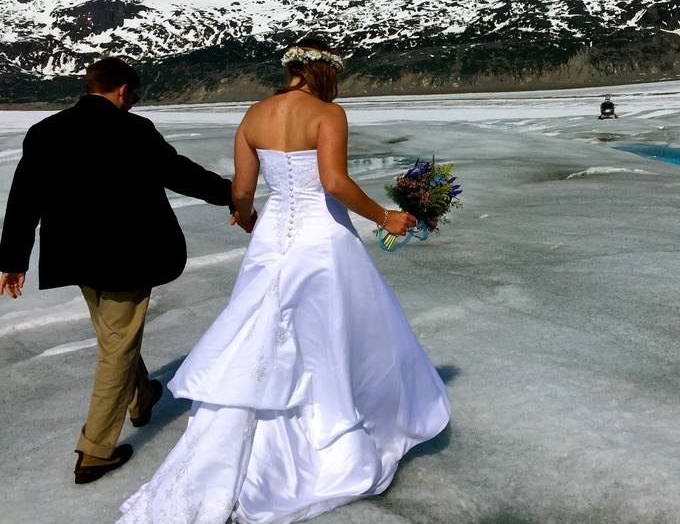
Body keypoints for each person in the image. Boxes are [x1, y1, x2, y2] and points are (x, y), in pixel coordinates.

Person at [118, 39, 451, 523]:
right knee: (330, 335)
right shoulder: (327, 114)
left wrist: (247, 216)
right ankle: (333, 427)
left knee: (265, 330)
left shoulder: (254, 115)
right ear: (324, 72)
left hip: (274, 236)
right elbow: (334, 182)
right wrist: (384, 216)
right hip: (321, 239)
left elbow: (244, 190)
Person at [0, 57, 248, 484]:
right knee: (116, 348)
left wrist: (13, 260)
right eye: (134, 94)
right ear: (121, 90)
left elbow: (24, 198)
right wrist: (233, 195)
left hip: (75, 258)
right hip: (126, 259)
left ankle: (143, 396)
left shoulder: (45, 132)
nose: (134, 101)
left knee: (116, 335)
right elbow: (180, 174)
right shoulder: (133, 130)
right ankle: (94, 451)